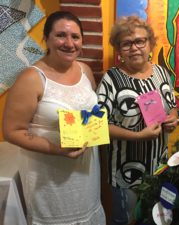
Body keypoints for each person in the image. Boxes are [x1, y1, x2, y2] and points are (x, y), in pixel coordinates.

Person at [2, 11, 106, 225]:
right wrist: (57, 149)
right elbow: (12, 131)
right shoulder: (31, 78)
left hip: (87, 176)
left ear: (82, 41)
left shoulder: (85, 70)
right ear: (46, 38)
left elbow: (90, 114)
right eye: (61, 35)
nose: (69, 43)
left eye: (75, 37)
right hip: (49, 181)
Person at [97, 16, 178, 225]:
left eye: (140, 41)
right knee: (125, 221)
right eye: (126, 43)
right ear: (118, 49)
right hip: (126, 172)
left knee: (154, 219)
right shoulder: (111, 79)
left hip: (159, 167)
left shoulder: (162, 72)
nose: (134, 48)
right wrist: (137, 136)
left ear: (150, 44)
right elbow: (98, 125)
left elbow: (173, 106)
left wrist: (173, 118)